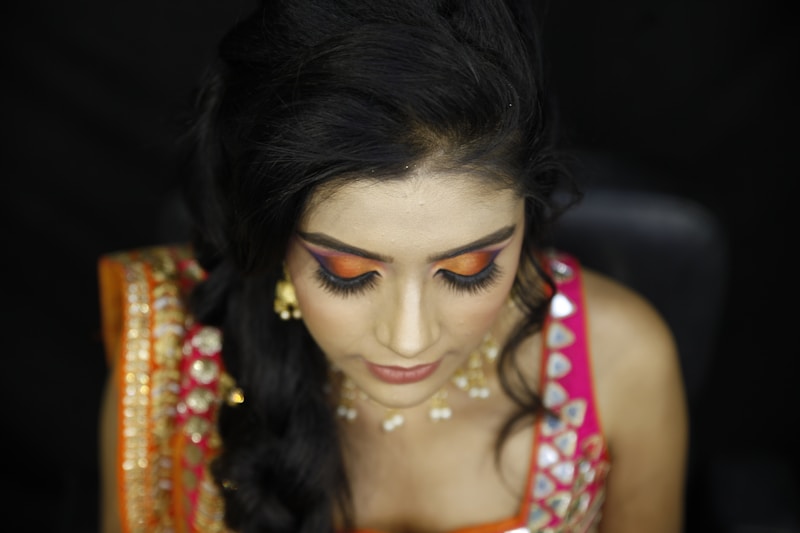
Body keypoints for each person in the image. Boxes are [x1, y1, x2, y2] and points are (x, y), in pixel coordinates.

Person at [98, 0, 688, 531]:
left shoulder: (619, 362)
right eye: (347, 274)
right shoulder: (173, 356)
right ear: (276, 239)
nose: (410, 340)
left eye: (470, 268)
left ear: (527, 224)